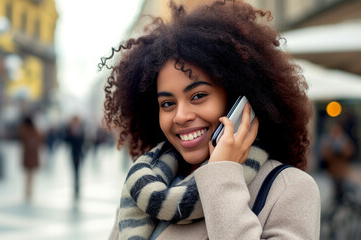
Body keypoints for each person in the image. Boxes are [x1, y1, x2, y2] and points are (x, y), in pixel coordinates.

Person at [100, 1, 321, 239]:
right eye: (167, 103)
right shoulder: (142, 186)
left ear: (240, 99)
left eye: (198, 96)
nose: (181, 116)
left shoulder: (289, 189)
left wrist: (222, 175)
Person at [320, 122, 355, 204]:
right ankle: (337, 199)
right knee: (334, 185)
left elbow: (349, 153)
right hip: (332, 169)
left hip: (342, 168)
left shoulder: (344, 140)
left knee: (342, 185)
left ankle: (342, 199)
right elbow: (325, 155)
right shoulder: (328, 140)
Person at [18, 115, 43, 202]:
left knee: (28, 175)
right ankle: (29, 191)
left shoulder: (26, 130)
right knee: (30, 175)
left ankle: (28, 191)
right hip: (31, 156)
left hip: (29, 156)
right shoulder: (33, 130)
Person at [64, 116, 85, 199]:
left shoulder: (81, 129)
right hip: (73, 153)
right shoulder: (69, 129)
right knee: (74, 171)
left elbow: (83, 140)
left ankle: (77, 187)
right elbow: (66, 139)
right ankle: (75, 187)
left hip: (79, 153)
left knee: (78, 171)